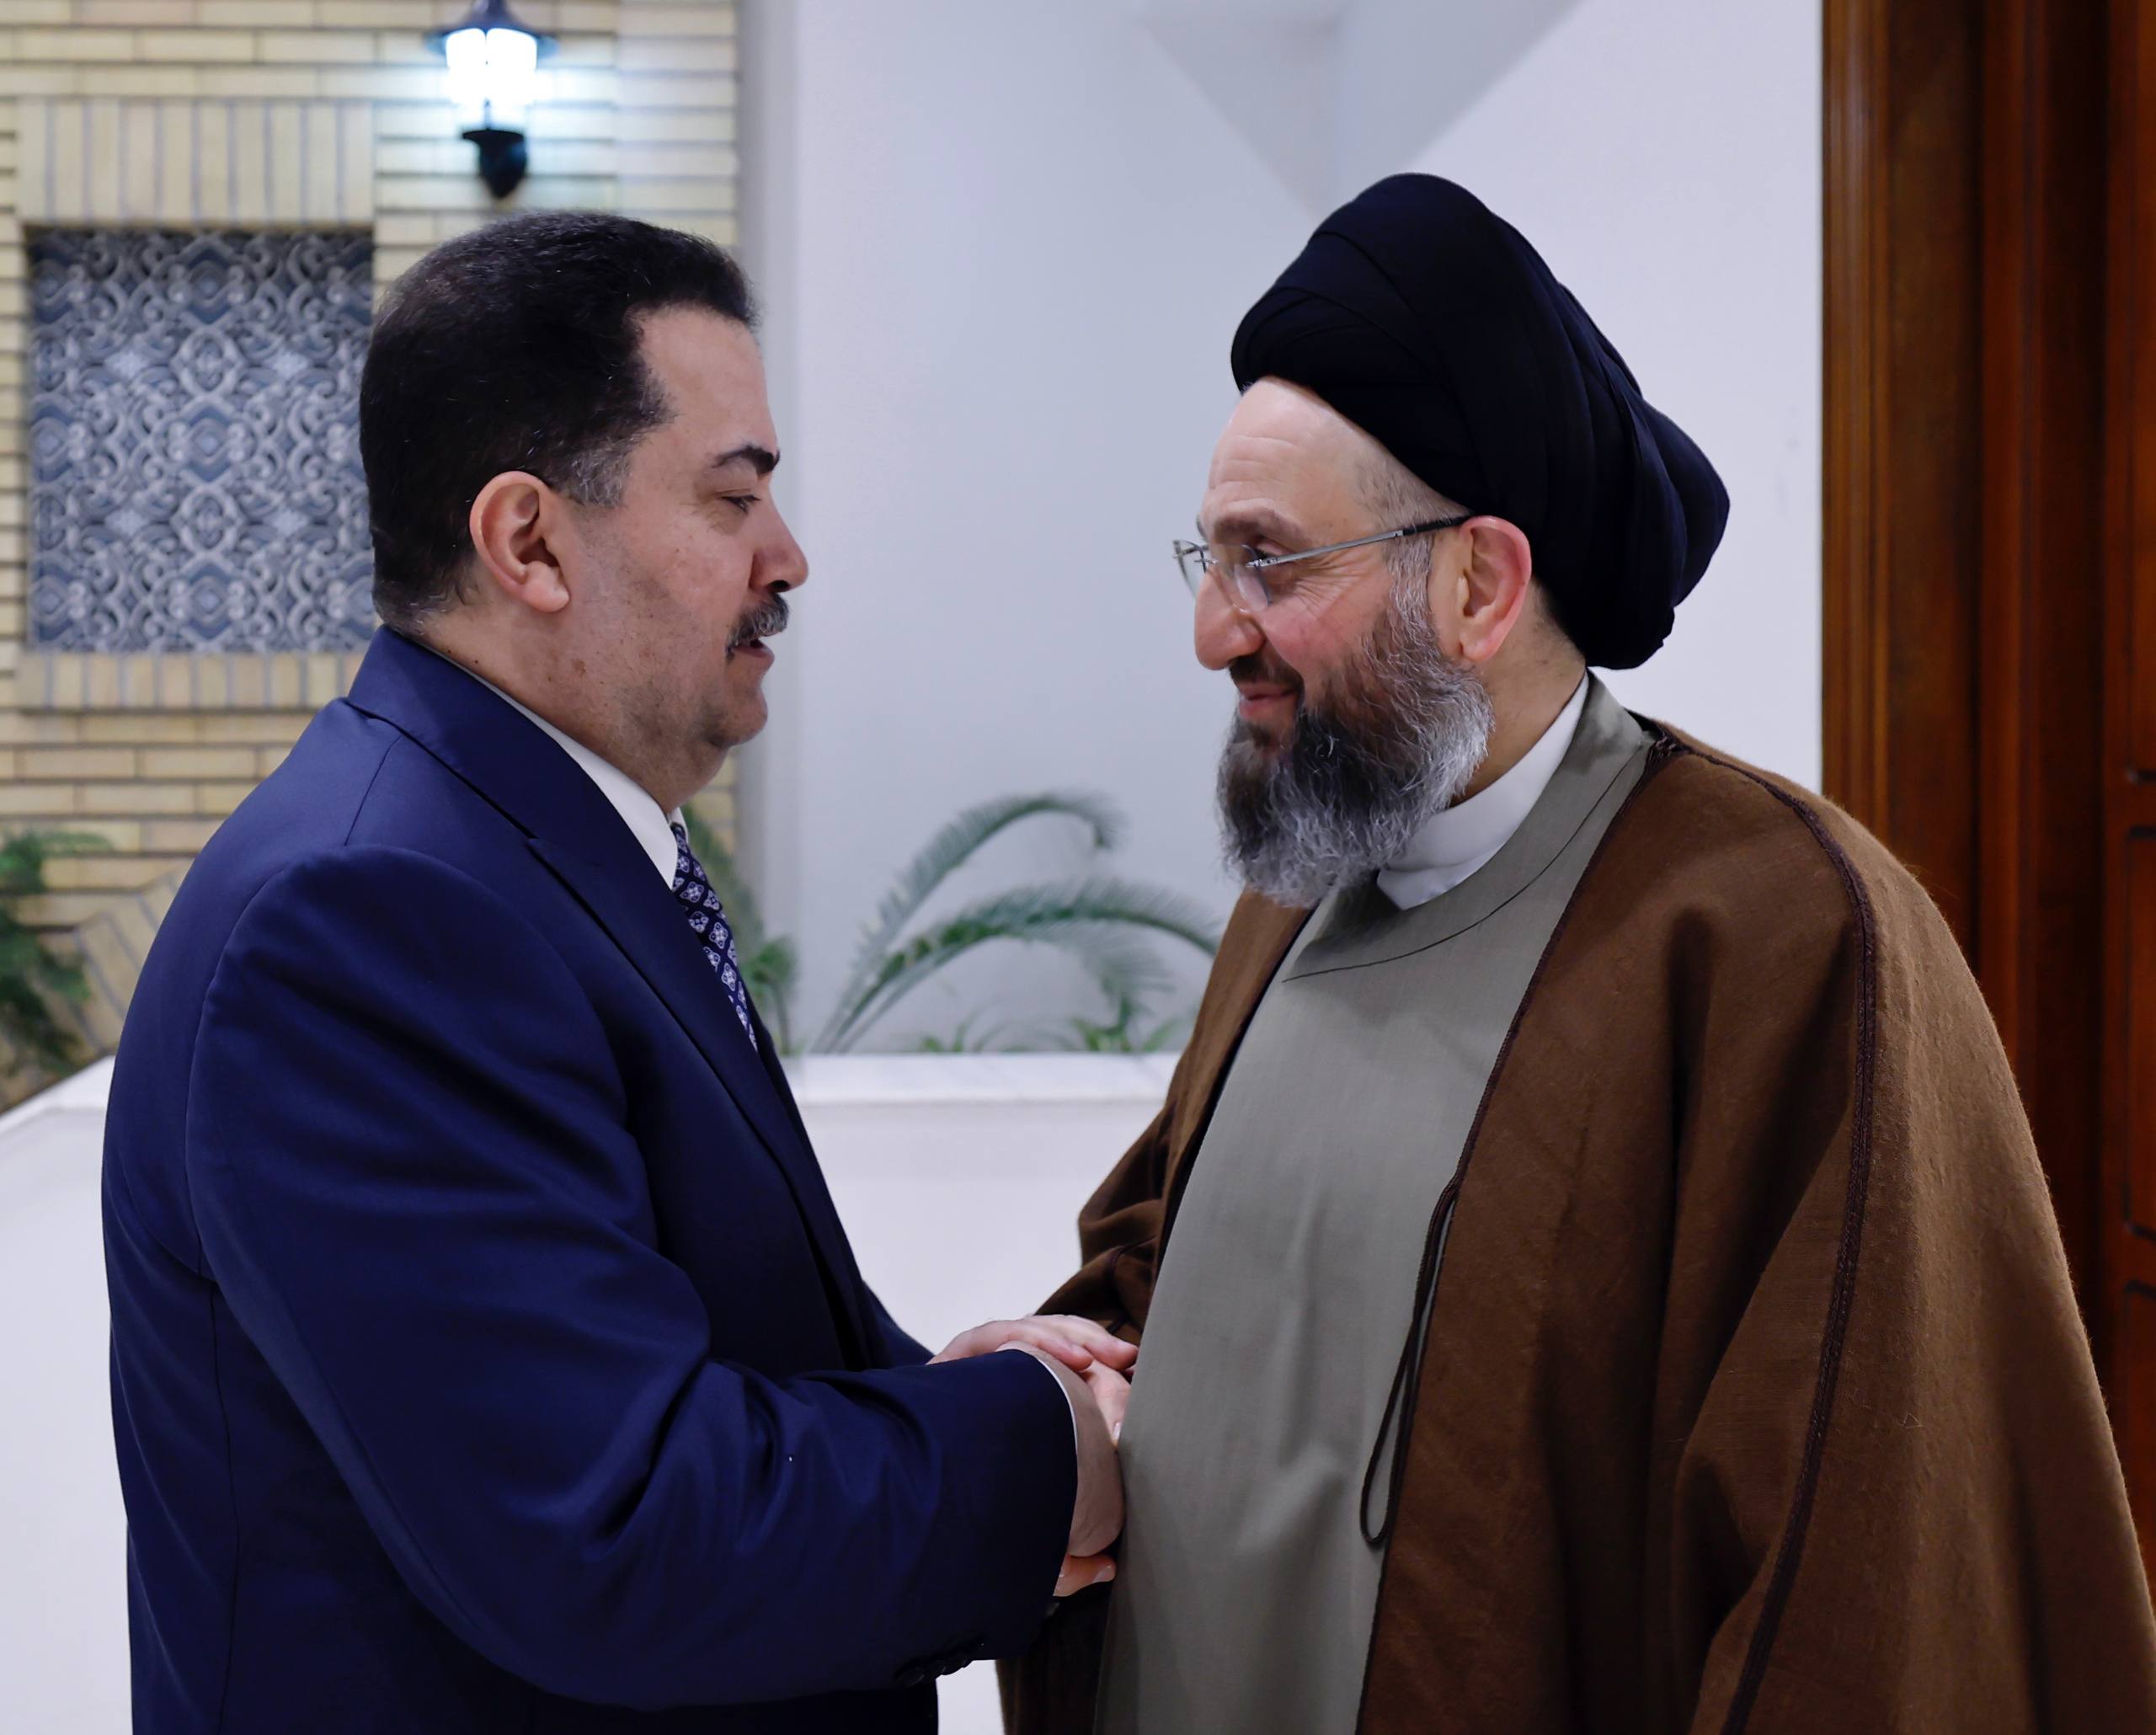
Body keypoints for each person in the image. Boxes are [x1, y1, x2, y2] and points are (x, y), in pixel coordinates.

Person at [1002, 174, 2156, 1734]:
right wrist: (1036, 1395)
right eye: (1206, 561)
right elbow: (1167, 1276)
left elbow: (1869, 1573)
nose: (1217, 630)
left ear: (1479, 582)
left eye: (1270, 562)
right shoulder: (1302, 886)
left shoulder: (1777, 933)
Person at [102, 211, 1129, 1733]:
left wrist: (947, 1400)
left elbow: (674, 1342)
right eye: (734, 496)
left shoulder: (527, 848)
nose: (787, 557)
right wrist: (1041, 1453)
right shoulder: (367, 916)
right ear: (529, 542)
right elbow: (614, 1530)